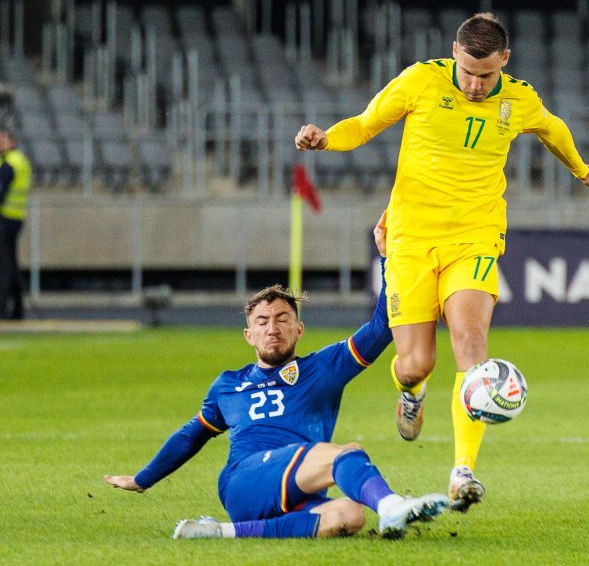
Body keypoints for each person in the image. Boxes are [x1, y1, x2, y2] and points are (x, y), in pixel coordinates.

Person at [295, 13, 589, 511]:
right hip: (411, 239)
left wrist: (582, 169)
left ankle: (463, 471)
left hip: (475, 236)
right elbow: (365, 123)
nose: (474, 84)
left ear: (504, 61)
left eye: (485, 75)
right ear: (455, 53)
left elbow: (552, 129)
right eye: (467, 72)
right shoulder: (420, 80)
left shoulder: (519, 98)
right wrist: (327, 139)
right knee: (417, 362)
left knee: (471, 342)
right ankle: (411, 391)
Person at [106, 212, 450, 539]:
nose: (273, 328)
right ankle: (392, 506)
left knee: (350, 516)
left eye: (282, 319)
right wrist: (143, 478)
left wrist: (388, 260)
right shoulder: (228, 384)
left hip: (295, 488)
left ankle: (220, 532)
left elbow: (380, 328)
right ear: (248, 335)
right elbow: (190, 436)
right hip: (243, 481)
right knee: (346, 453)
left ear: (299, 329)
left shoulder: (322, 368)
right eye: (262, 322)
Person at [0, 127, 31, 320]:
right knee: (11, 263)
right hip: (15, 217)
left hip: (6, 219)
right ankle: (18, 309)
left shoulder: (11, 163)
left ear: (11, 141)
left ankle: (3, 307)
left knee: (4, 266)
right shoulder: (19, 160)